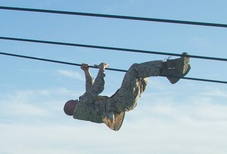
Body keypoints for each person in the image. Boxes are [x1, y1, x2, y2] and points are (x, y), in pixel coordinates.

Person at [63, 54, 191, 131]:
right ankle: (173, 68)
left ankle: (172, 70)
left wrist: (86, 72)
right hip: (121, 101)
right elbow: (97, 88)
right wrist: (102, 69)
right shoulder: (81, 107)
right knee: (135, 69)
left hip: (124, 103)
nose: (75, 100)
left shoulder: (84, 110)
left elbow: (90, 91)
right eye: (72, 101)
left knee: (142, 73)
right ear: (71, 107)